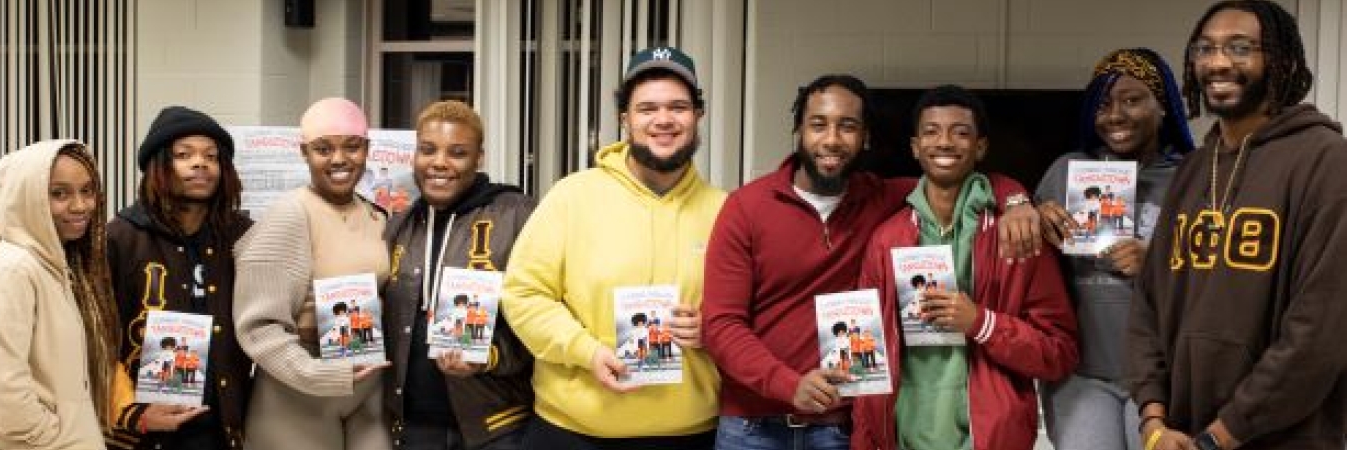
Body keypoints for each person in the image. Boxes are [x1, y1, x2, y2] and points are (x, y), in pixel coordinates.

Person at [701, 74, 1041, 450]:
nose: (831, 139)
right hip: (752, 427)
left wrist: (1015, 198)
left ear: (865, 138)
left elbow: (952, 174)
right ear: (798, 131)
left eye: (847, 127)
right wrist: (788, 384)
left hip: (837, 428)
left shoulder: (883, 197)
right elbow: (721, 325)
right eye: (818, 125)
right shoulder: (745, 208)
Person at [1128, 2, 1347, 449]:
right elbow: (1148, 305)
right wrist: (1153, 421)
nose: (1218, 62)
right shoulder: (1193, 169)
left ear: (1281, 61)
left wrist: (1221, 436)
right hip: (1179, 434)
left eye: (1240, 47)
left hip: (1284, 438)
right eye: (1205, 49)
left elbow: (1320, 328)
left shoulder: (1326, 160)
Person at [501, 45, 724, 449]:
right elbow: (523, 294)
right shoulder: (572, 197)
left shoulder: (727, 211)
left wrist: (714, 330)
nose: (663, 120)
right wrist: (585, 351)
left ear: (698, 116)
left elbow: (755, 314)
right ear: (625, 120)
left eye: (678, 107)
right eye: (647, 109)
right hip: (571, 433)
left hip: (691, 436)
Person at [849, 85, 1079, 450]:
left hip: (990, 438)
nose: (944, 143)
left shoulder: (1018, 235)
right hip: (903, 436)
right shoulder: (885, 239)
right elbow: (866, 364)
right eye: (931, 132)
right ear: (914, 147)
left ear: (981, 148)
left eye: (960, 132)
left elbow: (1059, 353)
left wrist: (981, 322)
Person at [1031, 48, 1195, 450]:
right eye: (1102, 105)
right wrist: (1030, 212)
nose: (1115, 115)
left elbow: (1224, 279)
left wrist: (1156, 262)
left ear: (1164, 107)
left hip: (1167, 374)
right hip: (1082, 374)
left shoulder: (1194, 176)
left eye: (1132, 100)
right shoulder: (1068, 170)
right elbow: (1025, 261)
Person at [233, 97, 392, 449]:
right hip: (297, 396)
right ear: (304, 152)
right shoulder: (289, 215)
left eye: (352, 146)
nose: (339, 159)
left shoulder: (377, 216)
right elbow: (257, 328)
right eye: (323, 149)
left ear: (367, 149)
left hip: (367, 391)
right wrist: (319, 374)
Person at [381, 100, 536, 450]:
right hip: (413, 428)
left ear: (478, 158)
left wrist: (491, 356)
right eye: (428, 150)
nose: (439, 163)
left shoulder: (517, 215)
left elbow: (546, 314)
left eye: (457, 152)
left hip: (496, 426)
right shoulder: (399, 225)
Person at [104, 106, 255, 450]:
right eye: (183, 155)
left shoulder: (243, 235)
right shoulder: (121, 238)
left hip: (225, 421)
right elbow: (96, 339)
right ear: (158, 165)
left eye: (211, 156)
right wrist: (131, 411)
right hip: (148, 427)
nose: (200, 163)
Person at [0, 140, 122, 449]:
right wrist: (48, 436)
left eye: (87, 190)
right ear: (27, 197)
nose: (80, 206)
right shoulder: (14, 267)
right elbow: (2, 385)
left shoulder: (60, 264)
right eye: (59, 193)